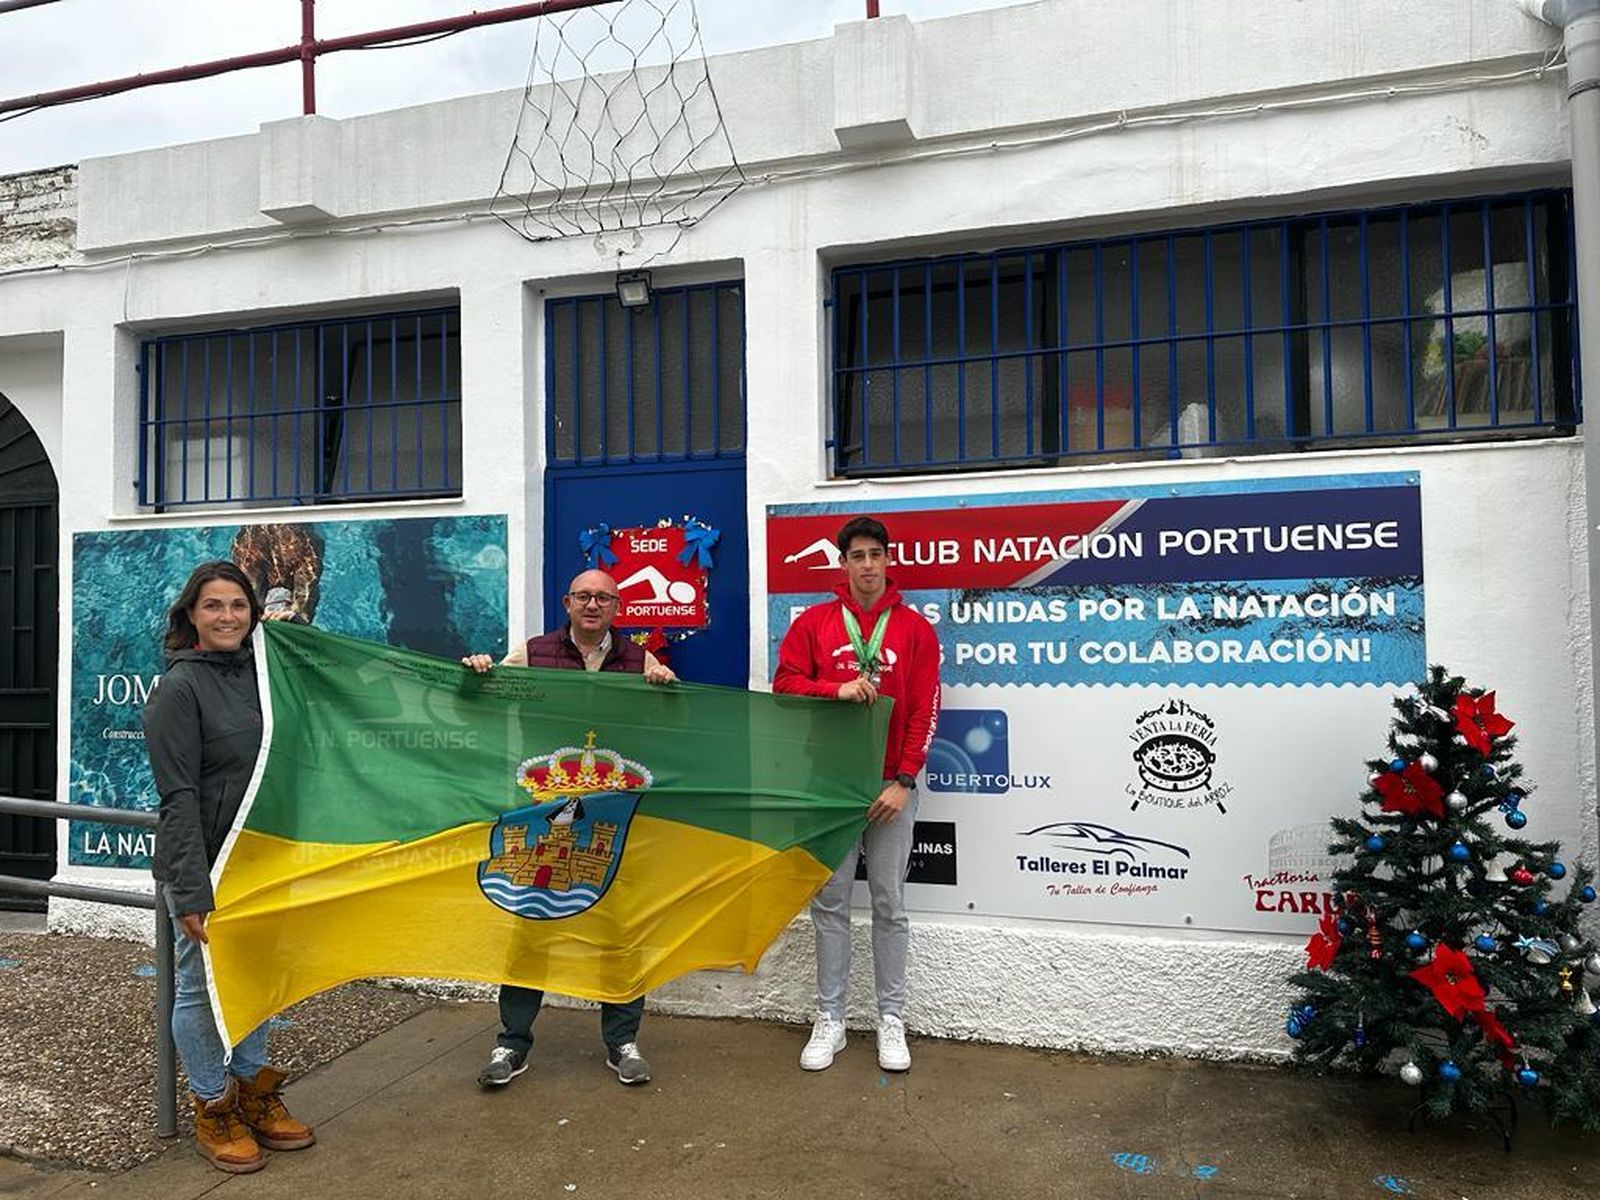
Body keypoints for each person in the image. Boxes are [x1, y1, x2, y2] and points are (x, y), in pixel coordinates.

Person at [463, 567, 676, 1090]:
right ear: (566, 602)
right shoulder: (532, 653)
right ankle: (511, 1042)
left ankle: (622, 1041)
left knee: (620, 926)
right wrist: (476, 671)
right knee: (530, 922)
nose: (592, 605)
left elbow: (672, 728)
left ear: (618, 607)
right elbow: (479, 699)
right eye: (583, 596)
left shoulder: (639, 660)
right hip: (543, 814)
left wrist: (666, 690)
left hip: (611, 814)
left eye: (603, 598)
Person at [142, 560, 313, 1174]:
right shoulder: (178, 689)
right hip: (206, 864)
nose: (227, 617)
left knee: (257, 975)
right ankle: (213, 1105)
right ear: (191, 615)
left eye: (238, 606)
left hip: (263, 856)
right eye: (214, 606)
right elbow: (177, 795)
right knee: (198, 987)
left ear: (253, 613)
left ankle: (253, 1093)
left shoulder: (269, 672)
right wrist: (190, 889)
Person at [773, 516, 941, 1073]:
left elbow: (924, 710)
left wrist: (904, 780)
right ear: (842, 564)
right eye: (857, 556)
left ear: (888, 560)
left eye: (875, 554)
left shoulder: (915, 630)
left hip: (892, 785)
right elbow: (786, 688)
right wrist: (835, 688)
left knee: (890, 904)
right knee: (830, 902)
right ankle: (832, 1019)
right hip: (830, 784)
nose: (867, 564)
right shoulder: (816, 624)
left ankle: (891, 1018)